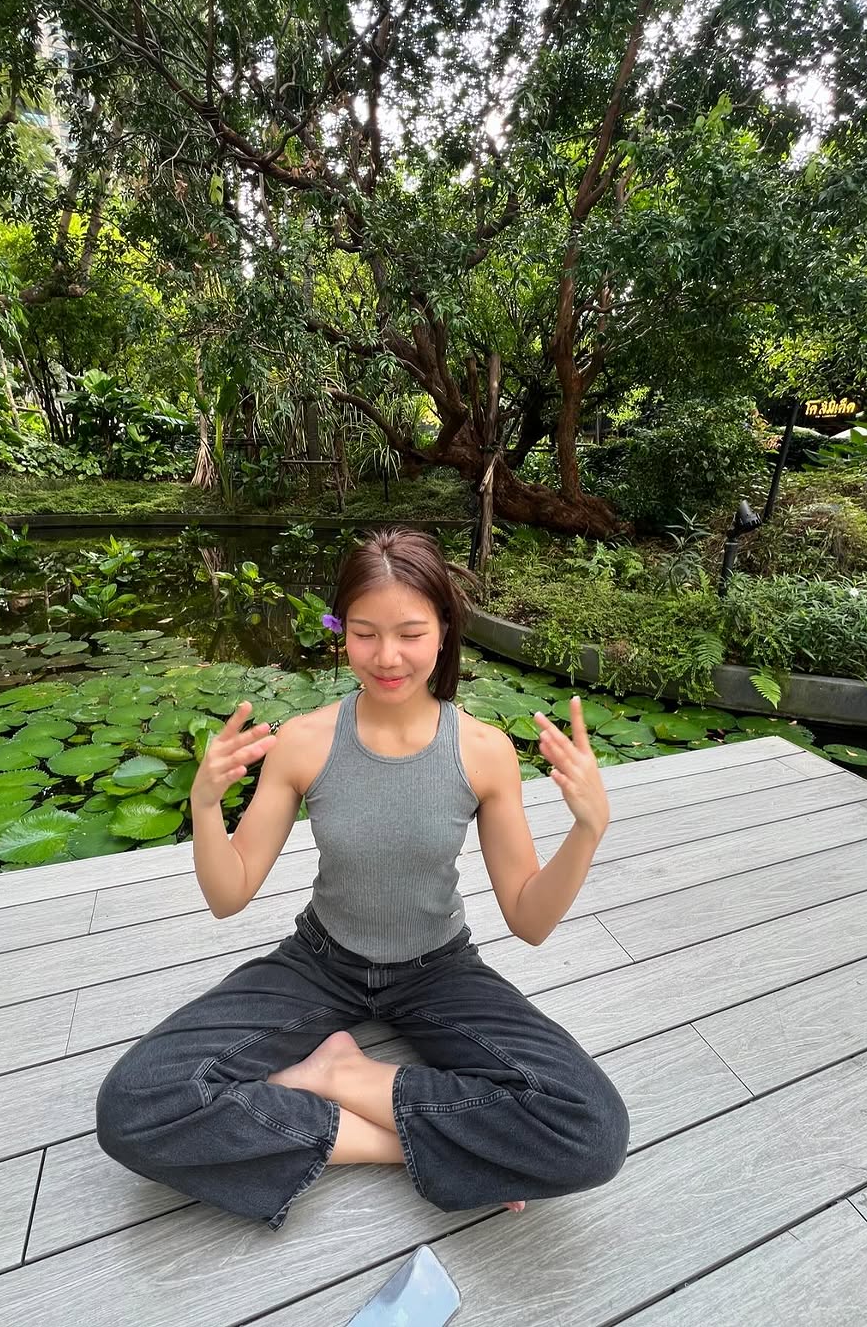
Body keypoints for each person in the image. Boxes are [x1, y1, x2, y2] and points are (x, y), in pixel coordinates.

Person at [96, 526, 630, 1230]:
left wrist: (588, 828)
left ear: (445, 629)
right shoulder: (305, 741)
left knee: (593, 1131)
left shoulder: (484, 750)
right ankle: (406, 1145)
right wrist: (203, 805)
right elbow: (229, 894)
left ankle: (344, 1075)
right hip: (320, 964)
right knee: (132, 1104)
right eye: (364, 633)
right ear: (341, 631)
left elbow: (529, 920)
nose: (386, 657)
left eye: (410, 633)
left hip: (438, 971)